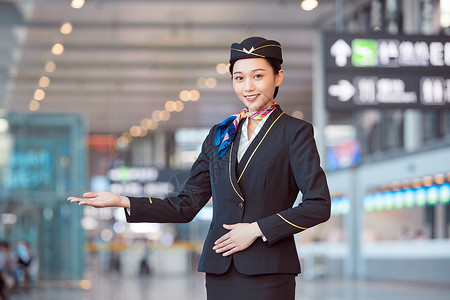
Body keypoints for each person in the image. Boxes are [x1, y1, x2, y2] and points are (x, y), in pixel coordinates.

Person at [69, 36, 331, 300]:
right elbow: (185, 205)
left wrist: (256, 229)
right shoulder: (221, 134)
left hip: (269, 272)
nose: (248, 86)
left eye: (258, 76)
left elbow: (318, 205)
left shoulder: (295, 132)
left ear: (278, 77)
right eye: (239, 78)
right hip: (220, 272)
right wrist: (122, 200)